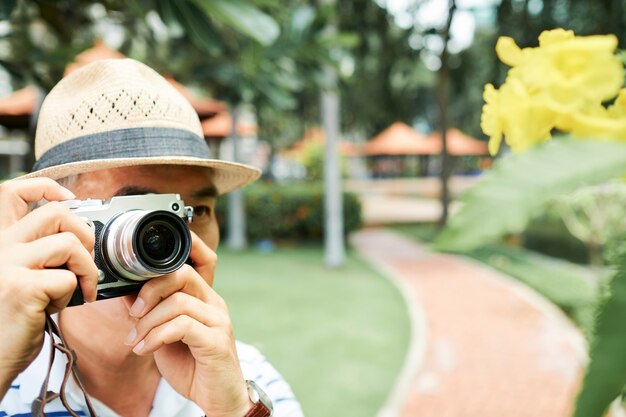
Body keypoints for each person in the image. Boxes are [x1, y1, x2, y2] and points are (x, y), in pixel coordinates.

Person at [0, 58, 304, 417]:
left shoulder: (247, 379)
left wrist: (233, 409)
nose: (176, 240)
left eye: (195, 212)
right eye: (140, 211)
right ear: (47, 220)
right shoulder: (8, 375)